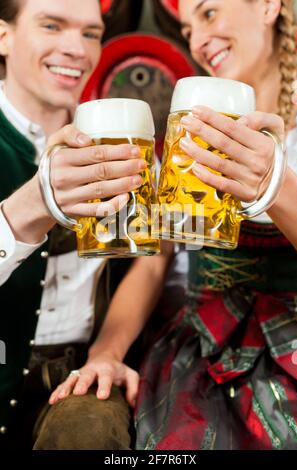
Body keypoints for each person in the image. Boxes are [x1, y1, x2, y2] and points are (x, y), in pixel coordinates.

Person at [50, 0, 297, 451]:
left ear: (268, 6)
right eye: (187, 30)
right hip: (199, 343)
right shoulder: (192, 126)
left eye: (208, 14)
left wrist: (275, 184)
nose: (197, 41)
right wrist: (105, 354)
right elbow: (153, 263)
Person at [0, 0, 148, 450]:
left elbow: (150, 259)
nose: (77, 49)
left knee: (88, 430)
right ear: (2, 35)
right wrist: (32, 203)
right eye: (52, 25)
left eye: (90, 33)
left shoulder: (120, 136)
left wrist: (107, 351)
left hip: (78, 382)